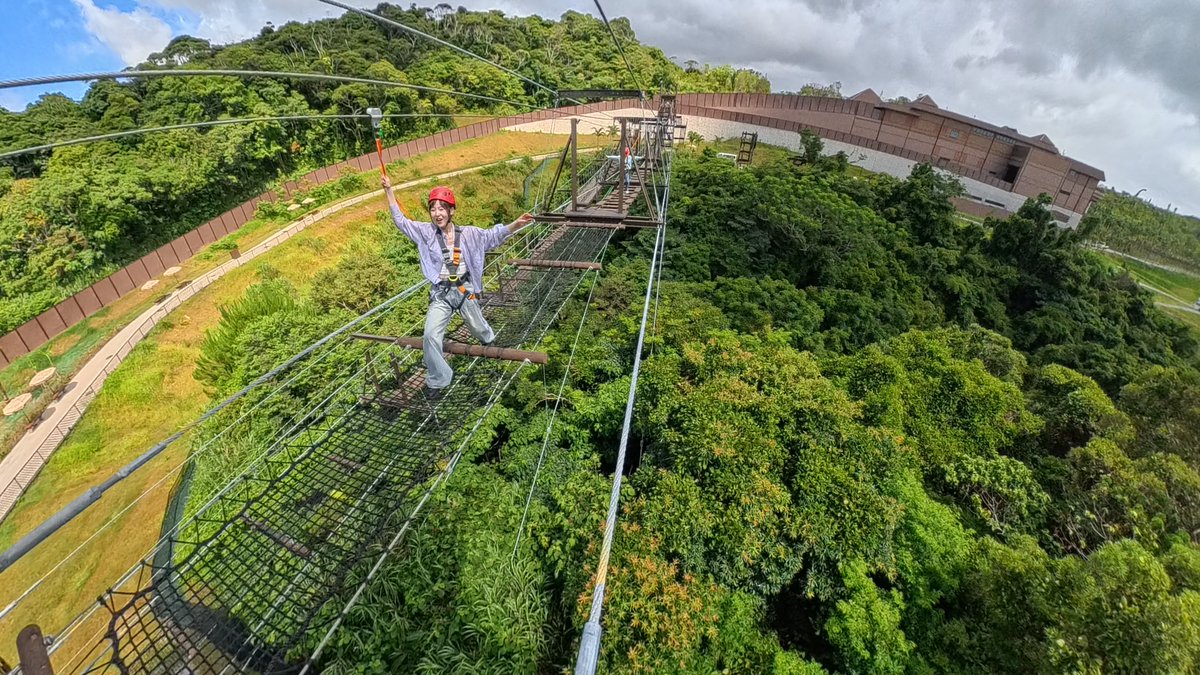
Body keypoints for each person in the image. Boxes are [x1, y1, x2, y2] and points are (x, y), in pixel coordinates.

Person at [382, 175, 535, 397]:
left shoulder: (470, 234)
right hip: (441, 294)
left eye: (442, 208)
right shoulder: (426, 233)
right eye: (433, 209)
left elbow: (493, 236)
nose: (437, 213)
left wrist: (515, 225)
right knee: (430, 336)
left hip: (464, 290)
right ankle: (439, 380)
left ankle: (490, 340)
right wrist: (389, 190)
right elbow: (401, 221)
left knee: (477, 326)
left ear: (452, 211)